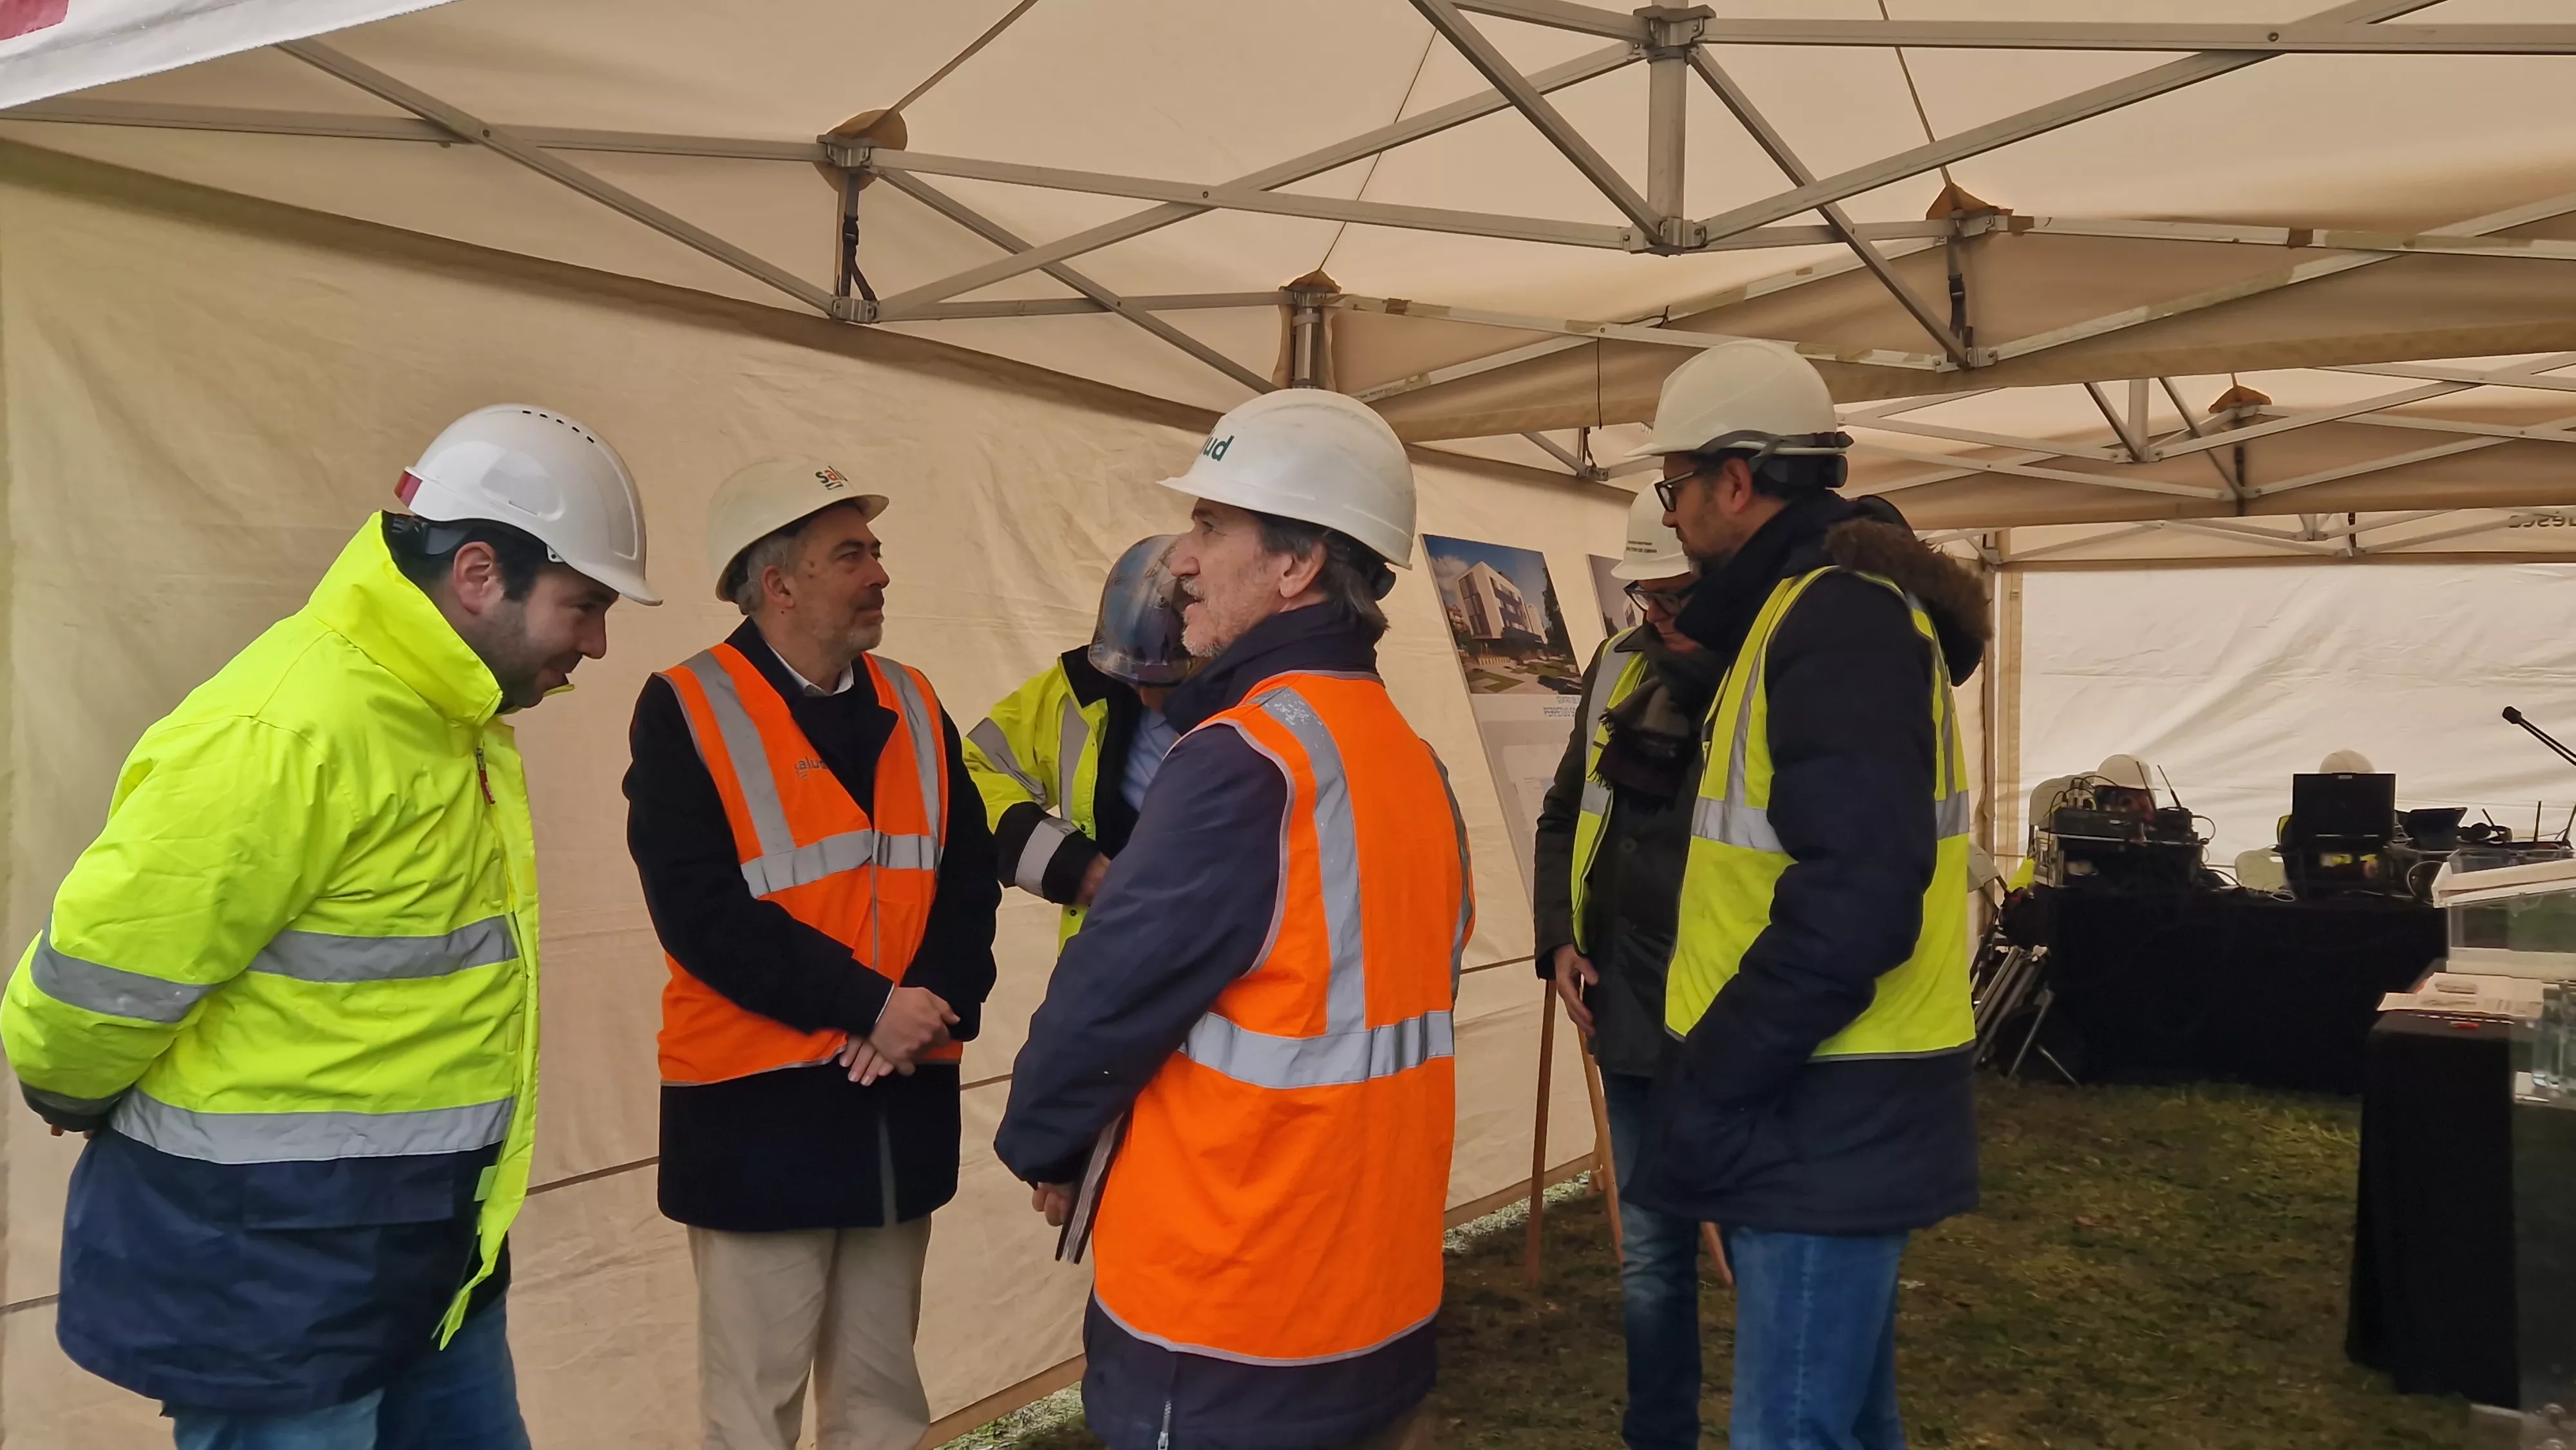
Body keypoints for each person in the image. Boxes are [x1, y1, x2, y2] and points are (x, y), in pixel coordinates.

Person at [0, 404, 660, 1447]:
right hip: (275, 1288)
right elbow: (97, 974)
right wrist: (63, 1080)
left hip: (426, 1263)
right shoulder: (288, 725)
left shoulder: (452, 717)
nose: (597, 642)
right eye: (583, 605)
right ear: (480, 573)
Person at [995, 390, 1473, 1450]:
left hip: (1228, 1316)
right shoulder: (1409, 762)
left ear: (1299, 563)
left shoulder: (1243, 758)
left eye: (1213, 526)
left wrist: (1044, 1141)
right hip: (1376, 1302)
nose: (1184, 561)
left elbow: (1106, 997)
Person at [1626, 339, 1989, 1450]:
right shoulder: (1812, 610)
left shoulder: (1836, 617)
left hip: (1818, 1098)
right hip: (1825, 1095)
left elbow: (1859, 894)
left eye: (1673, 486)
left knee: (1793, 1429)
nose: (1671, 517)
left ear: (1736, 481)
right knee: (1843, 1422)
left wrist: (1723, 1073)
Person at [623, 456, 999, 1450]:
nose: (880, 573)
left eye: (874, 551)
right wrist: (871, 1004)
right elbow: (700, 911)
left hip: (897, 1098)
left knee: (883, 1404)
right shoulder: (686, 706)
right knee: (754, 1410)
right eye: (852, 555)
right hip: (758, 1114)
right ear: (778, 583)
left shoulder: (914, 700)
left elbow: (969, 883)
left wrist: (932, 1004)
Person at [1529, 485, 1718, 1450]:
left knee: (1771, 1252)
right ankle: (1660, 1435)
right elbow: (1566, 811)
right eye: (1645, 596)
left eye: (1676, 598)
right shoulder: (1614, 662)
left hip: (1739, 1016)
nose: (1657, 616)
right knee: (1651, 1254)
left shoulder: (1768, 672)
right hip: (1633, 1000)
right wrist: (1561, 936)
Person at [963, 534, 1194, 943]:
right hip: (1105, 961)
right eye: (1130, 678)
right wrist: (1063, 863)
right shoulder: (1080, 690)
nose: (1142, 694)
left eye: (1162, 681)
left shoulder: (1279, 709)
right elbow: (966, 777)